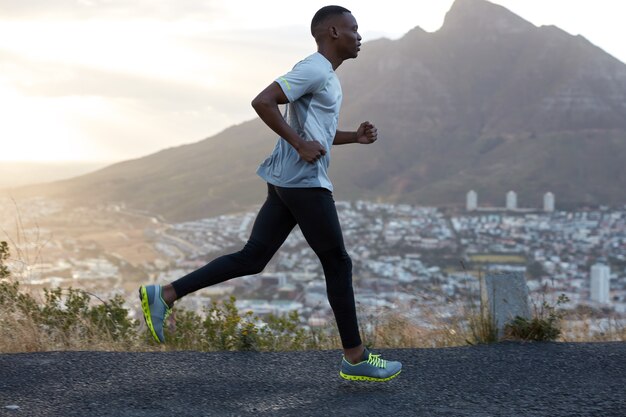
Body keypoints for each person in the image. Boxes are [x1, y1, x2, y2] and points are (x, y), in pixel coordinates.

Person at [139, 5, 402, 382]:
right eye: (353, 29)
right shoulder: (314, 68)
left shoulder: (326, 75)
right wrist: (297, 145)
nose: (359, 36)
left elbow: (318, 136)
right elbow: (263, 101)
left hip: (285, 181)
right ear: (332, 32)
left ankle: (164, 294)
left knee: (253, 257)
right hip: (303, 181)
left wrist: (352, 138)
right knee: (338, 263)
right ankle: (355, 357)